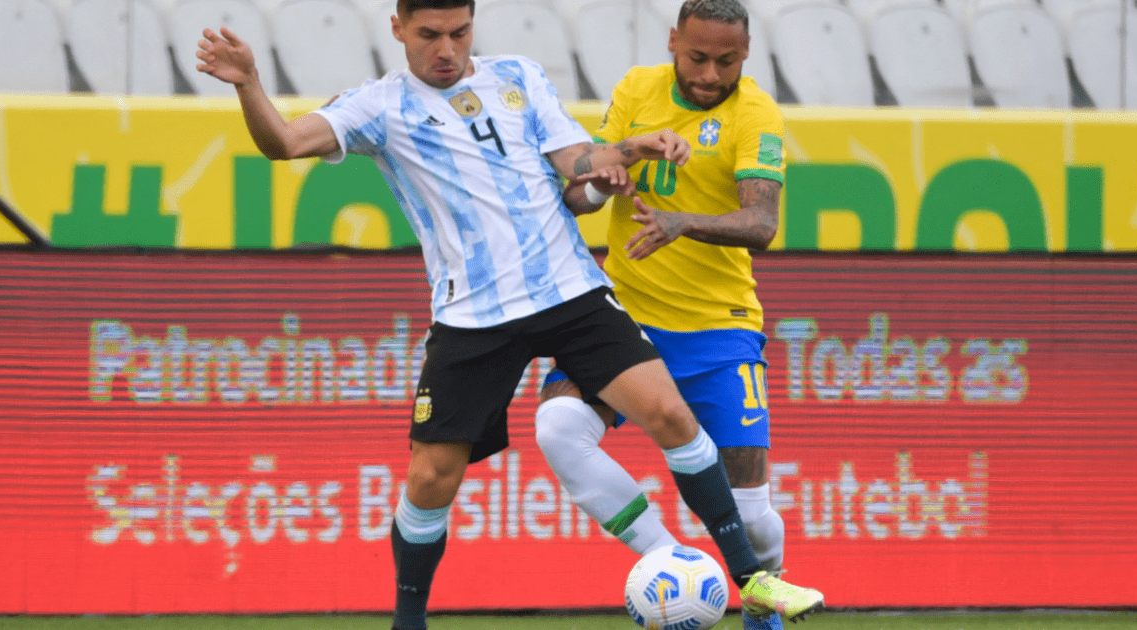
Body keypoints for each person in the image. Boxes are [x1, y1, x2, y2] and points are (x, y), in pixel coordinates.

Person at [196, 1, 820, 628]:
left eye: (460, 33)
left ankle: (753, 580)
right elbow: (282, 142)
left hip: (569, 291)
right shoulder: (377, 106)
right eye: (430, 35)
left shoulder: (518, 76)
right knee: (431, 478)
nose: (447, 49)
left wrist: (627, 151)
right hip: (473, 314)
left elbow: (575, 165)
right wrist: (249, 83)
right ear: (398, 30)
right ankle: (407, 620)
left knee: (670, 414)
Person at [533, 0, 820, 628]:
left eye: (726, 61)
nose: (710, 75)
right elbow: (576, 194)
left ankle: (762, 614)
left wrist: (681, 222)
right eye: (697, 58)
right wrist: (613, 173)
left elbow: (763, 224)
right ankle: (667, 557)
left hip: (719, 326)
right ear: (672, 42)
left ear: (746, 55)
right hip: (624, 319)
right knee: (557, 427)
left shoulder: (756, 116)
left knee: (749, 511)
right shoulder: (638, 90)